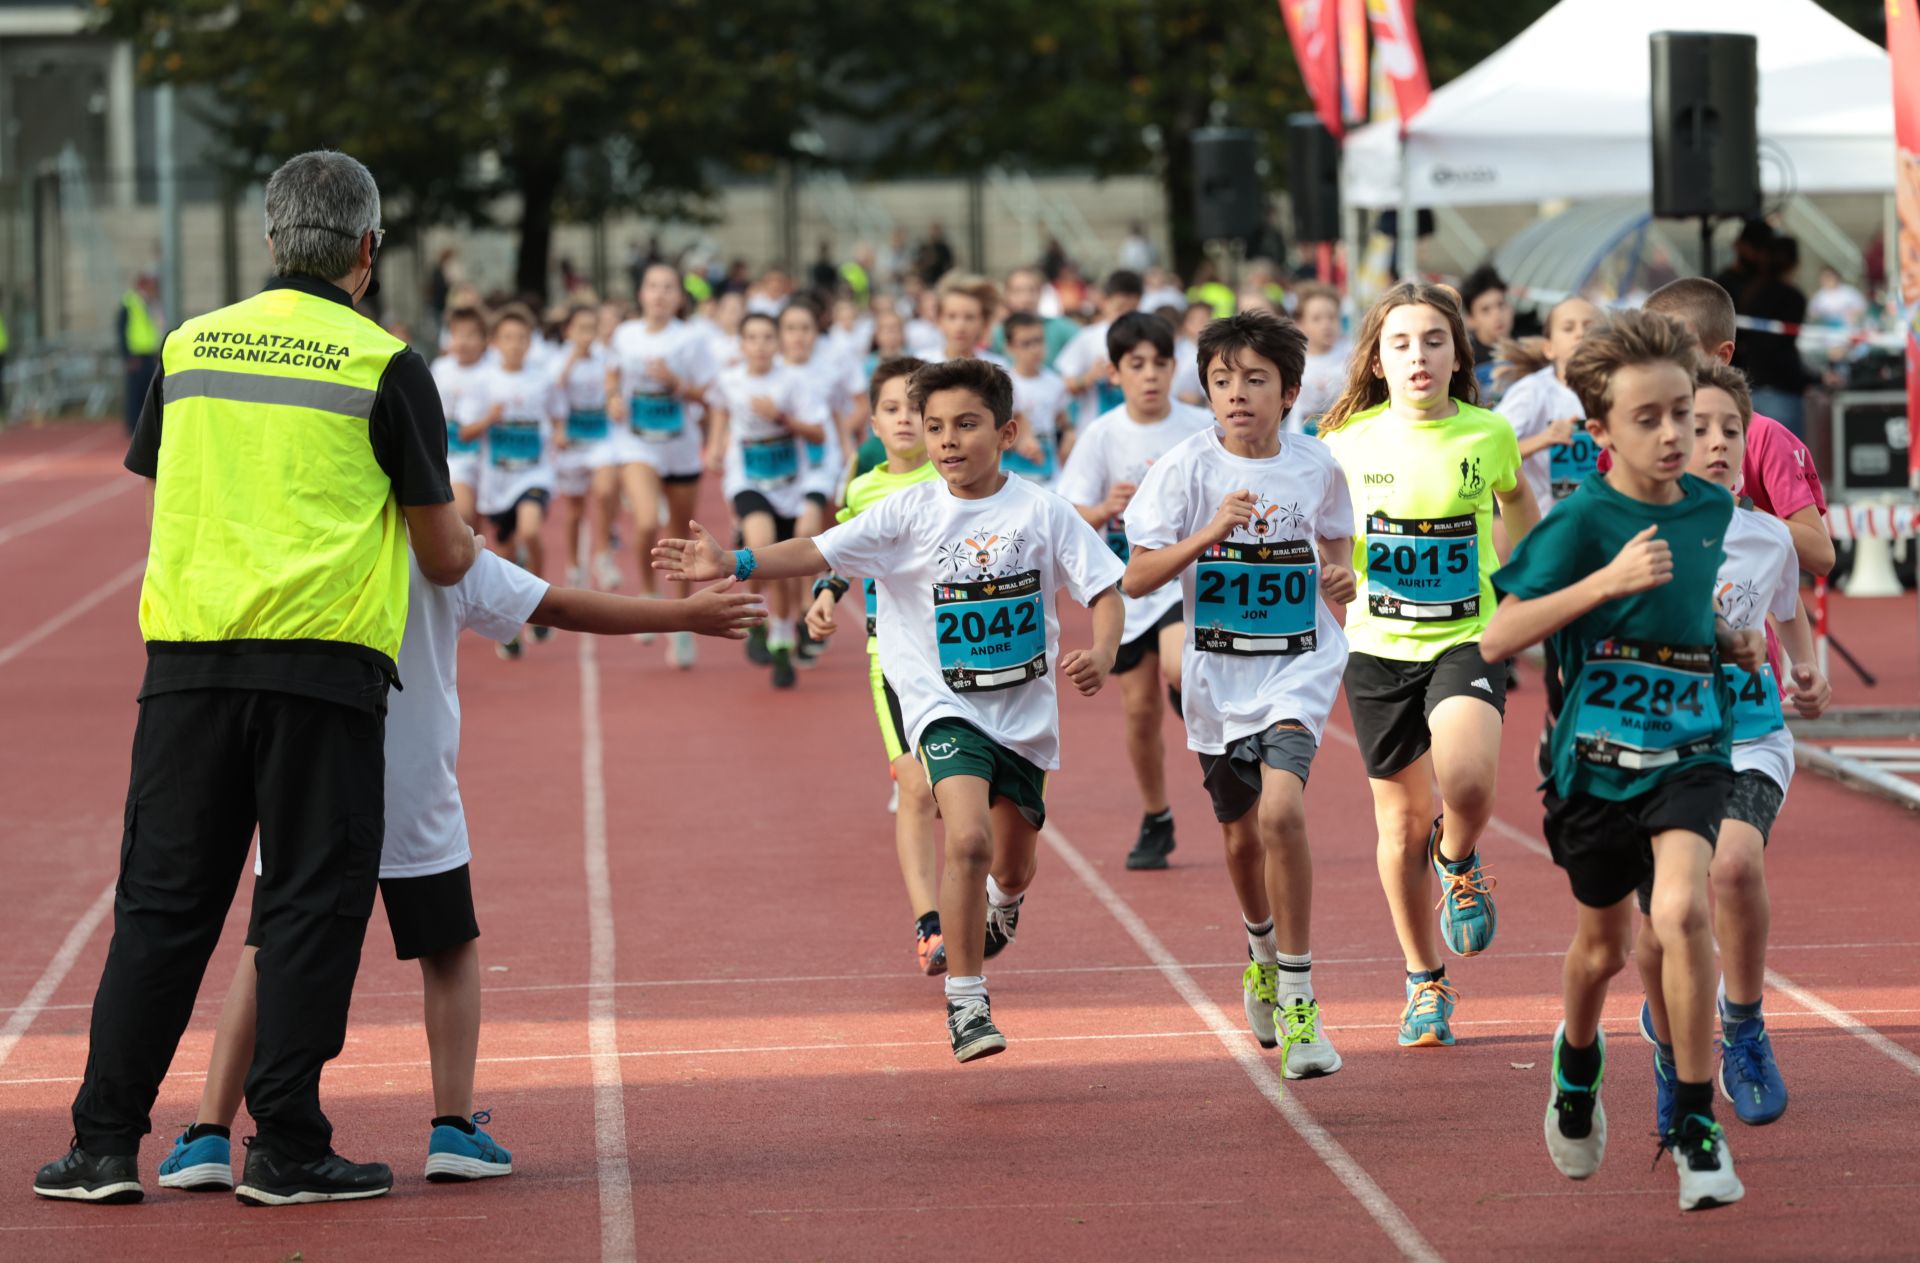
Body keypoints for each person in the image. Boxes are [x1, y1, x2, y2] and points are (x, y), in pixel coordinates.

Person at [33, 150, 479, 1207]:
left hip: (187, 662)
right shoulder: (387, 365)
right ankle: (285, 1143)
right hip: (322, 669)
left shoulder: (187, 346)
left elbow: (165, 474)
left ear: (272, 241)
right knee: (309, 906)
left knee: (160, 905)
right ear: (367, 250)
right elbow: (441, 552)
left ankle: (101, 1147)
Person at [158, 552, 766, 1193]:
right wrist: (685, 616)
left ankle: (208, 1135)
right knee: (447, 952)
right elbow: (556, 604)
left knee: (268, 952)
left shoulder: (304, 548)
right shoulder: (444, 555)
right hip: (414, 792)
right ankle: (452, 1129)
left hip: (309, 788)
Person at [653, 358, 1125, 1062]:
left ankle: (1002, 904)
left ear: (1007, 432)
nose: (946, 441)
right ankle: (967, 1004)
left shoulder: (1042, 510)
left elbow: (1106, 589)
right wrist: (734, 561)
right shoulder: (906, 511)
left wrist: (1106, 651)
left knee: (1015, 866)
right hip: (940, 703)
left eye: (966, 425)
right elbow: (817, 548)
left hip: (1024, 716)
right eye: (935, 427)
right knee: (964, 837)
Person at [1483, 308, 1757, 1212]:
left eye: (1684, 411)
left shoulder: (1715, 509)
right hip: (1594, 765)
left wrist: (1727, 640)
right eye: (1650, 419)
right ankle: (1577, 1057)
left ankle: (1690, 1117)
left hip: (1691, 748)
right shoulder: (1584, 520)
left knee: (1680, 910)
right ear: (1598, 430)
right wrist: (1602, 583)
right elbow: (1499, 634)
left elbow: (1681, 615)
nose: (1676, 433)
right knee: (1601, 949)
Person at [1121, 310, 1354, 1077]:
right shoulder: (1184, 470)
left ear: (1289, 391)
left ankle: (1300, 999)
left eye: (1255, 379)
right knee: (1241, 836)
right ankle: (1259, 948)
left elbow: (1335, 541)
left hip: (1299, 663)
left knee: (1284, 811)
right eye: (1222, 381)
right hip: (1219, 679)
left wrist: (1339, 574)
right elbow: (1138, 576)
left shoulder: (1315, 465)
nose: (1236, 393)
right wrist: (1209, 532)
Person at [1318, 282, 1538, 1048]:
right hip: (1376, 647)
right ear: (1377, 360)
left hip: (1467, 636)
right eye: (1402, 342)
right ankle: (1424, 979)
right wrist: (1333, 575)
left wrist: (1524, 591)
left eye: (1434, 340)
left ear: (1457, 353)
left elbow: (1522, 518)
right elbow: (1322, 540)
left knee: (1470, 780)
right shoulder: (1342, 445)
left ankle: (1461, 853)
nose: (1420, 355)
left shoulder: (1489, 433)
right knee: (1401, 821)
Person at [1631, 363, 1830, 1137]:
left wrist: (1805, 670)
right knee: (1663, 922)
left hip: (1749, 736)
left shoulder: (1771, 535)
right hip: (1654, 745)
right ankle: (1673, 1045)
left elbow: (1788, 617)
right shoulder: (1633, 532)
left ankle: (1742, 1028)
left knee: (1736, 864)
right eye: (1696, 426)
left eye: (1729, 430)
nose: (1714, 442)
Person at [1056, 312, 1214, 869]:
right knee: (1140, 712)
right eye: (1136, 365)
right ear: (1114, 373)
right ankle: (1157, 815)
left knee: (1176, 667)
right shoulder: (1102, 433)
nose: (1150, 376)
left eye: (1160, 364)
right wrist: (1103, 509)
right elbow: (1068, 508)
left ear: (1176, 369)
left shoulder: (1200, 426)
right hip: (1124, 589)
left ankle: (1192, 692)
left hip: (1179, 582)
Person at [803, 356, 945, 972]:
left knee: (975, 802)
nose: (906, 419)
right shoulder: (862, 490)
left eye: (918, 409)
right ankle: (930, 925)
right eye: (892, 409)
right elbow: (843, 554)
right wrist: (826, 596)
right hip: (890, 656)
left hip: (966, 655)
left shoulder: (957, 481)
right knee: (915, 787)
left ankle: (996, 898)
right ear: (874, 424)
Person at [707, 311, 830, 688]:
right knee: (759, 547)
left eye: (766, 337)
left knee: (784, 569)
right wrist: (714, 445)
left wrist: (780, 417)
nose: (760, 345)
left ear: (776, 343)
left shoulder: (794, 381)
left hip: (791, 484)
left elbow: (818, 435)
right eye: (752, 338)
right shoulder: (729, 380)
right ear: (741, 345)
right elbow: (720, 413)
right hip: (748, 481)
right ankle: (757, 621)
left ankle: (779, 639)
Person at [607, 262, 718, 669]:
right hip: (637, 443)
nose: (659, 294)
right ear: (641, 293)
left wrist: (676, 383)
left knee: (680, 537)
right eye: (652, 286)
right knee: (646, 520)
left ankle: (683, 620)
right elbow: (612, 374)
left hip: (682, 448)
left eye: (668, 287)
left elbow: (708, 395)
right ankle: (649, 596)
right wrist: (612, 399)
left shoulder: (692, 339)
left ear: (679, 297)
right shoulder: (625, 335)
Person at [460, 306, 561, 659]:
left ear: (530, 343)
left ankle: (542, 600)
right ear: (495, 343)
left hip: (534, 474)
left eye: (522, 339)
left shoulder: (542, 379)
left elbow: (558, 414)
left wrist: (560, 434)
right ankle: (508, 631)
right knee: (503, 560)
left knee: (530, 529)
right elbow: (467, 432)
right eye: (508, 338)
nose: (515, 345)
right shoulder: (483, 382)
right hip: (496, 482)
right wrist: (490, 418)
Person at [1495, 296, 1599, 517]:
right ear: (1549, 348)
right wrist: (1545, 438)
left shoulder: (1621, 389)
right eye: (1568, 328)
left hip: (1604, 518)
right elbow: (1489, 450)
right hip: (1547, 521)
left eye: (1589, 327)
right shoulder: (1533, 391)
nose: (1580, 334)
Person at [551, 305, 623, 591]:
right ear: (568, 331)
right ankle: (573, 565)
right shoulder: (556, 360)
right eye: (580, 328)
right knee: (574, 510)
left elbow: (612, 385)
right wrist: (572, 359)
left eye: (591, 329)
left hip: (601, 437)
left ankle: (603, 555)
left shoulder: (605, 358)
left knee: (605, 491)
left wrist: (613, 400)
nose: (586, 335)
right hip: (571, 442)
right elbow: (553, 388)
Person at [1054, 269, 1144, 426]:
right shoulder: (1088, 338)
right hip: (1094, 425)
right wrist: (1090, 377)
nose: (1126, 315)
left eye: (1133, 309)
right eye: (1120, 308)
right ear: (1104, 301)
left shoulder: (1146, 338)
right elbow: (1064, 385)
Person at [432, 306, 491, 527]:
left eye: (471, 335)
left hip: (488, 457)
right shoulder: (440, 368)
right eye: (457, 335)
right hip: (455, 456)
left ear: (485, 339)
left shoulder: (491, 372)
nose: (463, 342)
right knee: (462, 515)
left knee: (483, 522)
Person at [1002, 312, 1071, 483]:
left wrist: (1069, 433)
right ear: (1010, 347)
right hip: (1012, 463)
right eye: (1026, 344)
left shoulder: (1055, 382)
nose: (1034, 349)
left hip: (1047, 466)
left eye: (1038, 341)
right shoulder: (1003, 383)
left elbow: (1061, 417)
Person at [1287, 284, 1349, 436]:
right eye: (1316, 319)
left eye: (1332, 317)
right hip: (1303, 439)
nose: (1326, 325)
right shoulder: (1291, 361)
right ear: (1300, 324)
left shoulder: (1353, 355)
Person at [1459, 265, 1514, 405]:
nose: (1497, 315)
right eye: (1486, 310)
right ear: (1470, 319)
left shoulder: (1527, 353)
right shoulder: (1465, 361)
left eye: (1501, 305)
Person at [119, 272, 165, 436]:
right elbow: (121, 331)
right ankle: (133, 427)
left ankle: (145, 428)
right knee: (135, 393)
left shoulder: (151, 303)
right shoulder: (130, 303)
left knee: (148, 392)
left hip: (149, 354)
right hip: (136, 356)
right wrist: (127, 356)